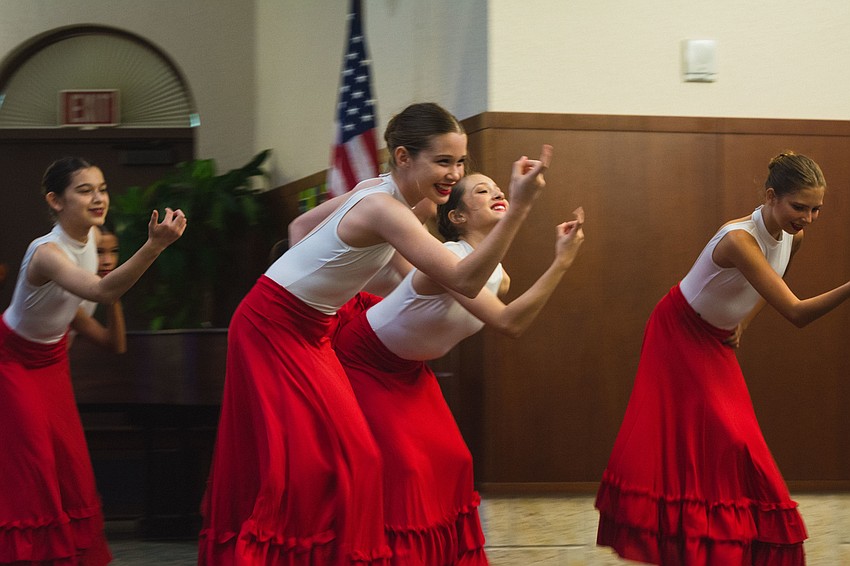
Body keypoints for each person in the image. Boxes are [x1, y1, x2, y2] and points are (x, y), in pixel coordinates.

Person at [199, 102, 552, 565]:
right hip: (272, 324)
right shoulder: (384, 207)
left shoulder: (382, 195)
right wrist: (519, 207)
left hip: (313, 327)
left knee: (358, 458)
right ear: (403, 157)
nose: (454, 173)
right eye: (443, 161)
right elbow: (463, 280)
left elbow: (300, 227)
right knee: (317, 465)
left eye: (460, 161)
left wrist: (340, 272)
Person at [595, 151, 850, 565]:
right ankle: (696, 543)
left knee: (738, 445)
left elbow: (771, 284)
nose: (808, 218)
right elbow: (796, 312)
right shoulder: (739, 240)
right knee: (716, 442)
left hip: (714, 340)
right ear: (771, 196)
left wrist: (745, 321)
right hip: (677, 333)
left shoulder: (793, 237)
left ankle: (720, 546)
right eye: (799, 207)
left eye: (817, 208)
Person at [330, 172, 585, 565]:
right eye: (482, 191)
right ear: (459, 218)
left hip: (409, 372)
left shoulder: (499, 278)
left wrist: (561, 260)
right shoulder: (448, 259)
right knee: (407, 471)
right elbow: (508, 323)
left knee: (456, 461)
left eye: (498, 189)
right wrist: (562, 260)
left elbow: (509, 316)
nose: (496, 193)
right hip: (361, 362)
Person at [0, 156, 186, 565]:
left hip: (49, 362)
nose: (98, 197)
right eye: (84, 190)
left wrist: (67, 327)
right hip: (10, 360)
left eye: (101, 188)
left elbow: (81, 310)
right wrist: (154, 245)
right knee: (34, 466)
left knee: (70, 465)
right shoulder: (46, 252)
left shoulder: (94, 238)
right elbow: (100, 293)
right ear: (55, 200)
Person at [69, 223, 127, 354]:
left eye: (114, 251)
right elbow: (116, 345)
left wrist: (113, 295)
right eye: (99, 252)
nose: (108, 261)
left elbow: (118, 346)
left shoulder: (95, 288)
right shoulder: (70, 294)